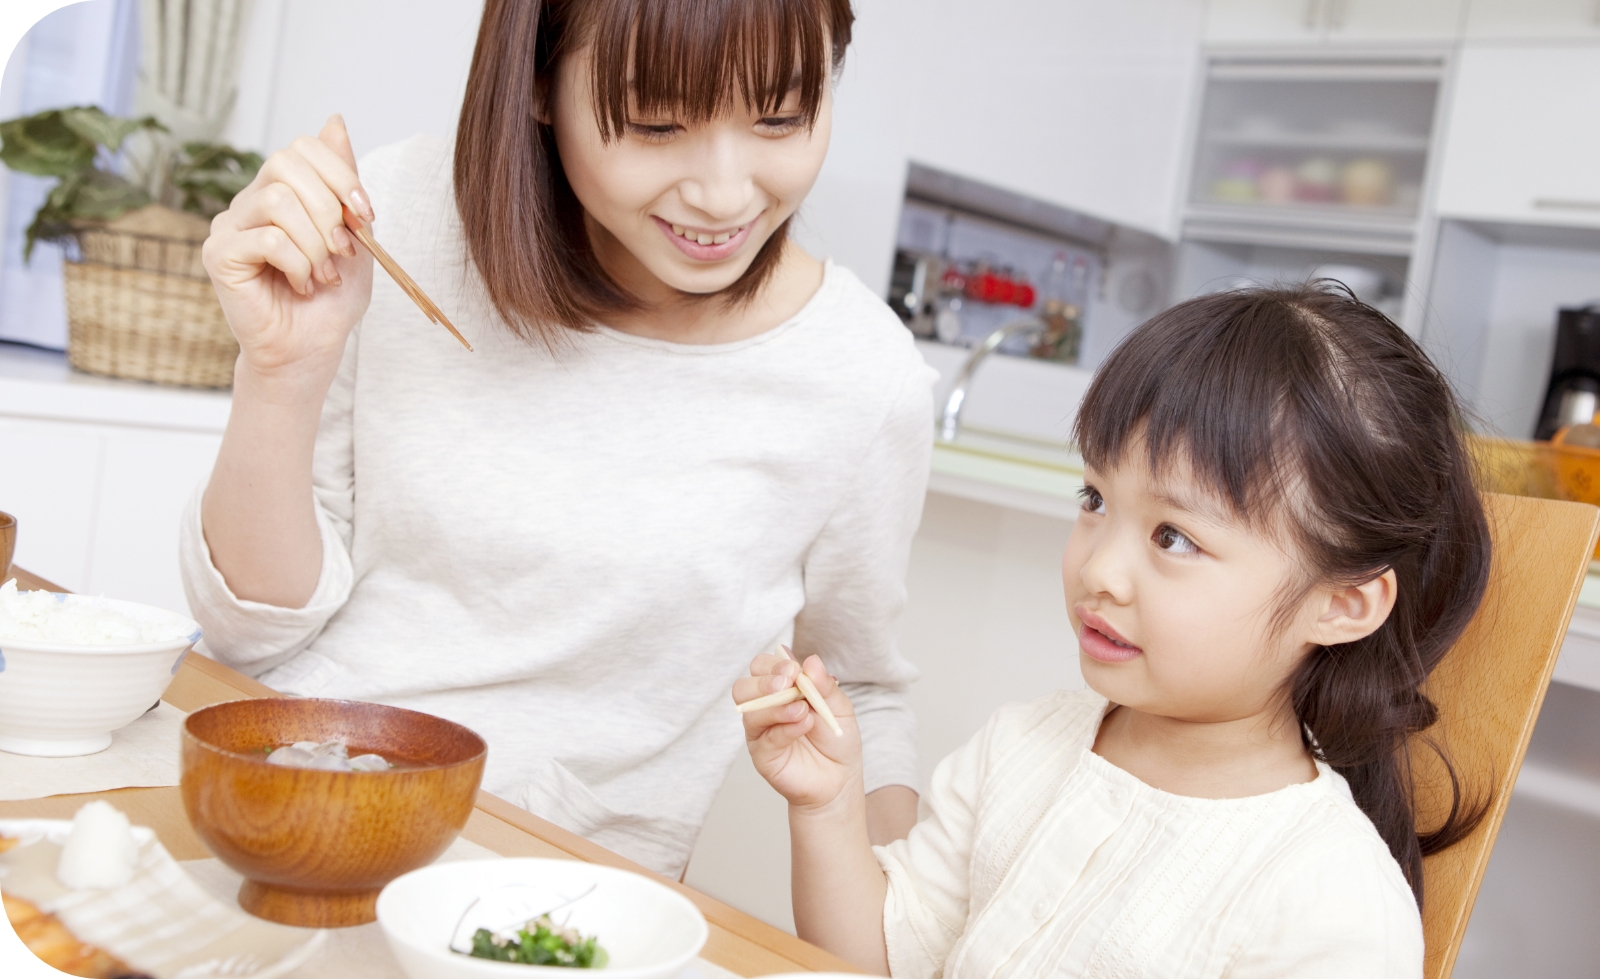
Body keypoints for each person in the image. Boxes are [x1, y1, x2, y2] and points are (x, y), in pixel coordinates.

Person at [183, 0, 933, 878]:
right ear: (538, 84)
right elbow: (250, 636)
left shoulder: (861, 376)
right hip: (286, 814)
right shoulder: (396, 225)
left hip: (563, 906)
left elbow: (861, 693)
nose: (725, 193)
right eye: (657, 124)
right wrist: (281, 370)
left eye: (780, 117)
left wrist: (887, 942)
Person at [737, 284, 1492, 977]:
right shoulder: (1023, 746)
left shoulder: (1332, 901)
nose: (1099, 569)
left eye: (1174, 537)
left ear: (1342, 604)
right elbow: (874, 959)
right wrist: (829, 802)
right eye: (1094, 497)